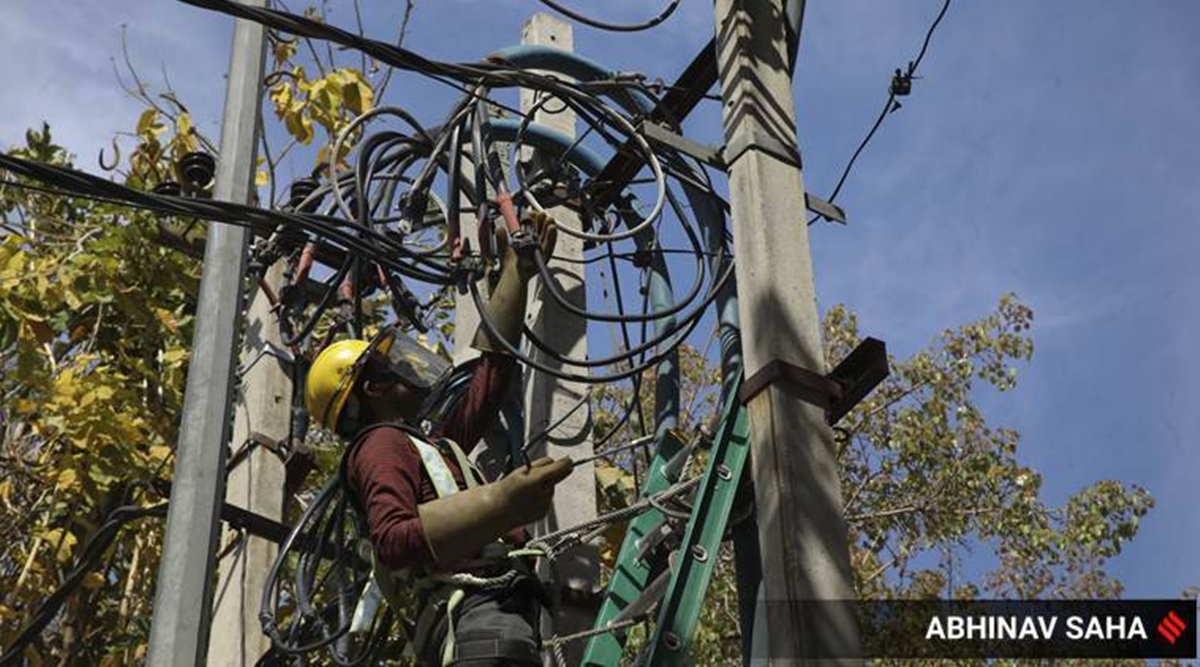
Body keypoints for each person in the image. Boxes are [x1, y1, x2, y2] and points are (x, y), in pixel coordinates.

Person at [303, 211, 573, 666]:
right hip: (473, 621)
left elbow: (490, 380)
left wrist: (515, 275)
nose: (411, 366)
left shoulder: (430, 446)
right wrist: (499, 503)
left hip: (494, 616)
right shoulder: (380, 445)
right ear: (373, 388)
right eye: (395, 364)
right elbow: (391, 541)